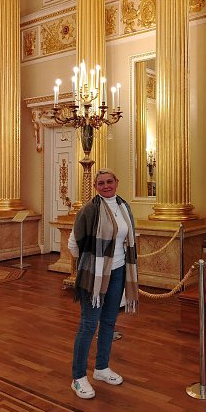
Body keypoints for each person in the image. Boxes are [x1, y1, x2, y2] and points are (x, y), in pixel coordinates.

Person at [68, 168, 139, 399]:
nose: (106, 186)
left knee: (109, 322)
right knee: (89, 325)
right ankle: (78, 377)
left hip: (118, 271)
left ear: (117, 182)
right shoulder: (89, 209)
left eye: (110, 181)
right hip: (95, 275)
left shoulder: (123, 206)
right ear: (95, 186)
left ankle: (101, 368)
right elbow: (73, 243)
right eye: (101, 183)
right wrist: (92, 264)